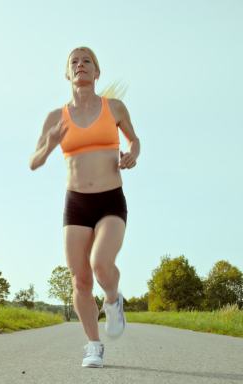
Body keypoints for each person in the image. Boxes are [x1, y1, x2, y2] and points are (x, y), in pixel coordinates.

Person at [29, 46, 140, 368]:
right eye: (74, 62)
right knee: (80, 279)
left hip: (110, 198)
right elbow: (33, 162)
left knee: (101, 263)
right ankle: (94, 345)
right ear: (68, 73)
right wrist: (49, 145)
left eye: (87, 61)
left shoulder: (115, 108)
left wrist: (133, 153)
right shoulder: (55, 117)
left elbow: (135, 140)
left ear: (96, 71)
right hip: (76, 202)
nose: (81, 65)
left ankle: (113, 299)